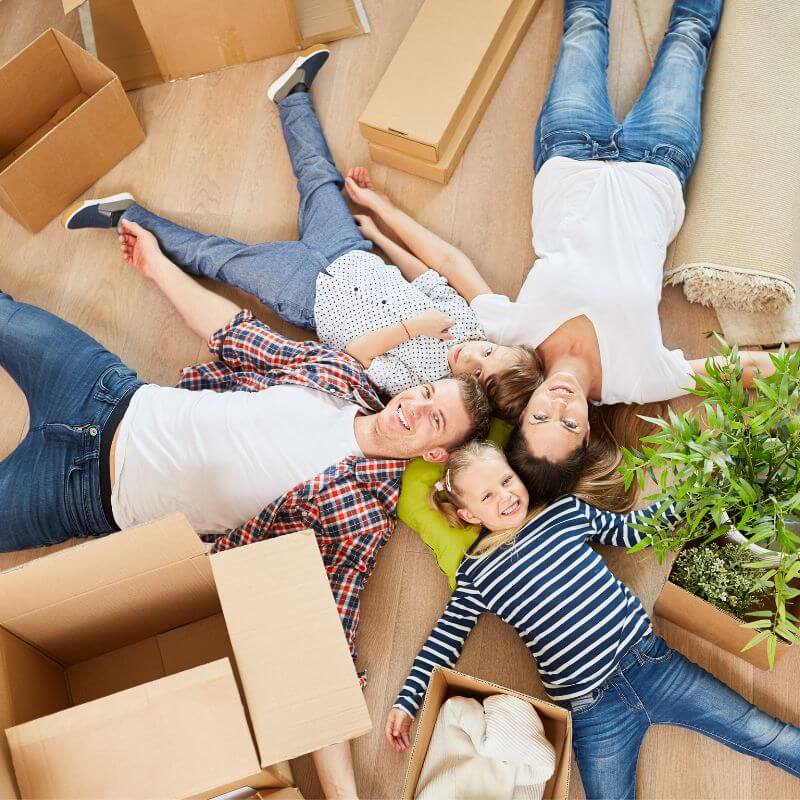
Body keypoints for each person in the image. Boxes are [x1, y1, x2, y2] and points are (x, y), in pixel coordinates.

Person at [62, 46, 542, 416]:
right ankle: (292, 96)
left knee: (219, 258)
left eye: (477, 372)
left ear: (475, 391)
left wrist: (413, 328)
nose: (470, 355)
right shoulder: (470, 324)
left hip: (307, 294)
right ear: (495, 341)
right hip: (351, 252)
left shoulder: (426, 388)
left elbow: (358, 354)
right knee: (319, 179)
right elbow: (424, 276)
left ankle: (126, 217)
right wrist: (379, 234)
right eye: (486, 352)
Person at [462, 0, 779, 504]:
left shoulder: (514, 344)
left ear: (523, 412)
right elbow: (748, 368)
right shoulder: (639, 378)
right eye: (566, 424)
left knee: (584, 22)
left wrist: (379, 213)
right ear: (587, 433)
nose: (559, 406)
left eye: (540, 416)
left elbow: (457, 273)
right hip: (658, 163)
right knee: (691, 34)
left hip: (567, 152)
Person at [384, 442, 800, 799]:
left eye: (507, 481)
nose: (506, 497)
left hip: (650, 664)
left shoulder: (562, 512)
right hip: (593, 711)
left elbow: (633, 531)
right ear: (471, 515)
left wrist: (703, 493)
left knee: (761, 731)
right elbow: (443, 641)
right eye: (487, 497)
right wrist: (407, 701)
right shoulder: (476, 573)